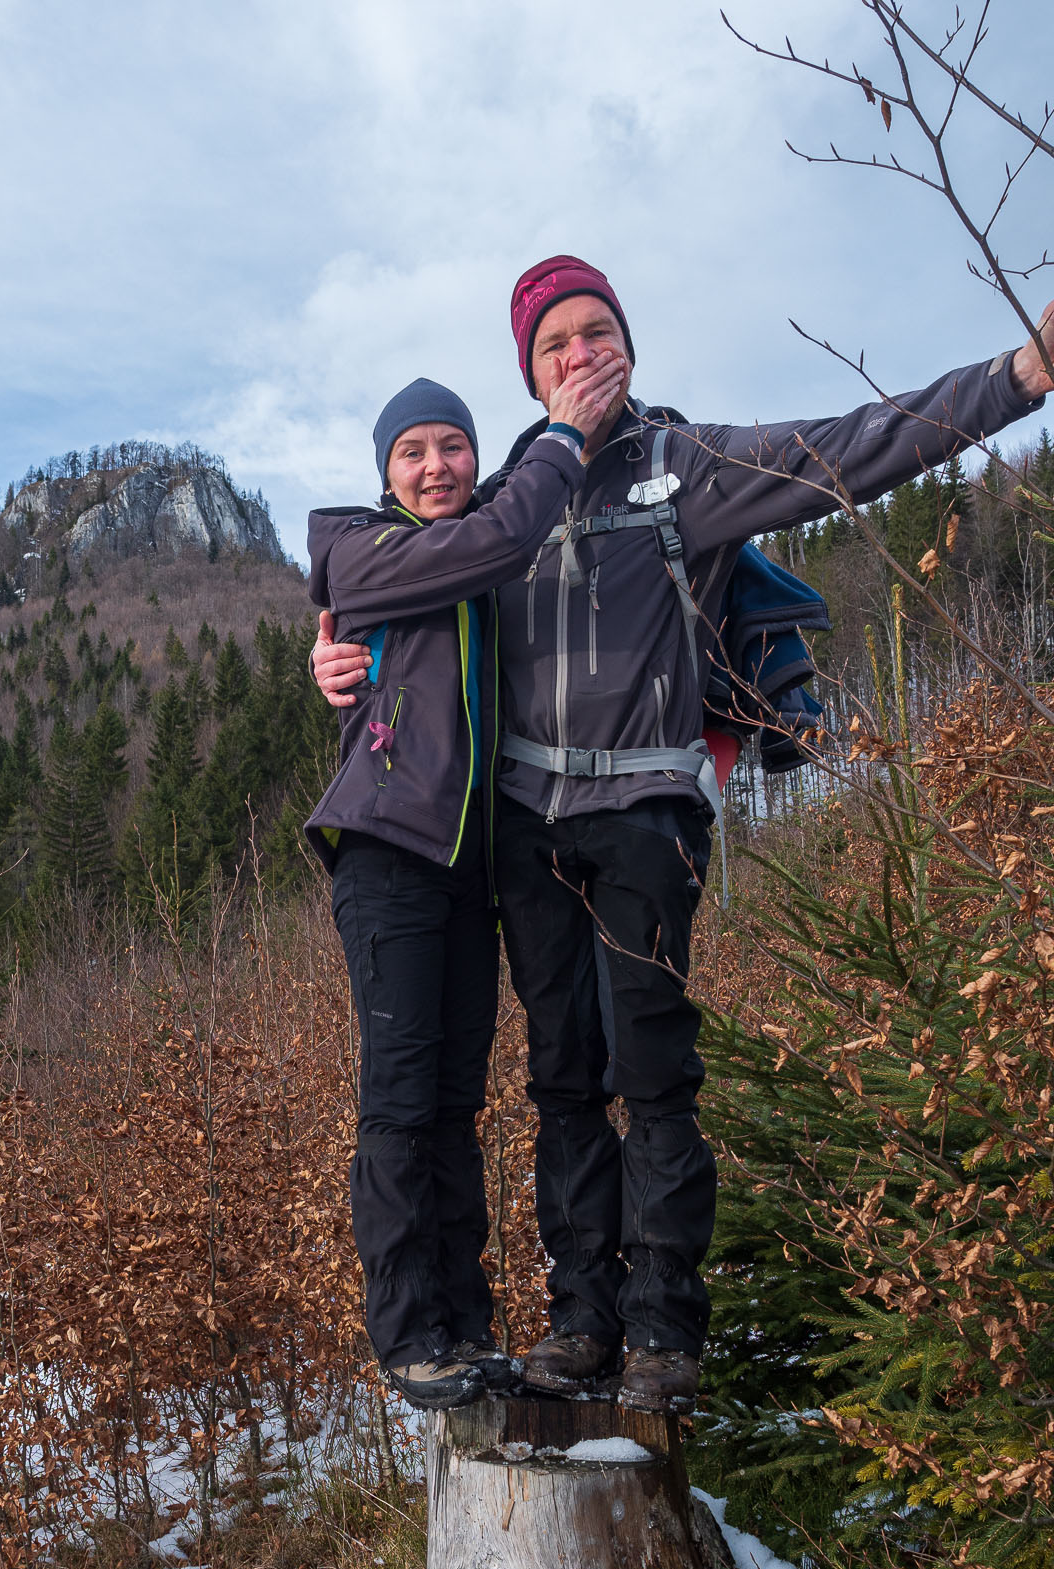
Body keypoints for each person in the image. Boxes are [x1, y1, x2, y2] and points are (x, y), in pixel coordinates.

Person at [313, 255, 1054, 1415]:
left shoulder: (686, 466)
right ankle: (578, 1324)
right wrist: (333, 656)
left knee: (652, 1075)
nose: (579, 355)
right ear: (528, 369)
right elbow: (410, 598)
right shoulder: (512, 487)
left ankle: (661, 1330)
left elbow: (850, 444)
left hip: (644, 816)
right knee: (559, 1081)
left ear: (629, 344)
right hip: (522, 832)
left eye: (596, 331)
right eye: (553, 343)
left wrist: (1015, 376)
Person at [306, 355, 624, 1410]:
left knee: (451, 1104)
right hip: (387, 852)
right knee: (399, 1102)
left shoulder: (477, 554)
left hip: (468, 871)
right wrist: (563, 439)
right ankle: (406, 1335)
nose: (435, 465)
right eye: (413, 450)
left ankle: (463, 1326)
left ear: (475, 457)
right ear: (384, 470)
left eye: (452, 446)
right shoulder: (360, 546)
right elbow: (497, 534)